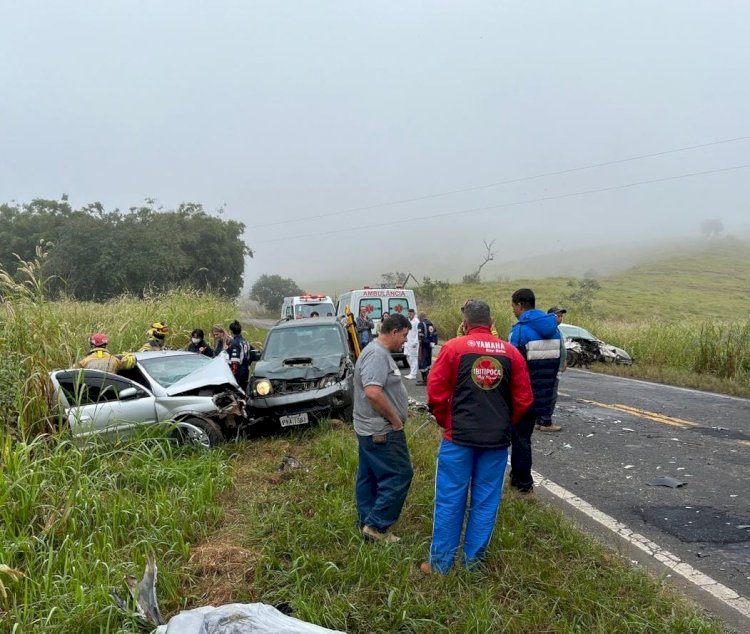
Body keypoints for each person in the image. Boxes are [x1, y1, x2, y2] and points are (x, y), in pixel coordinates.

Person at [423, 301, 533, 574]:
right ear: (491, 321)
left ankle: (440, 566)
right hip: (495, 442)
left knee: (450, 500)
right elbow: (523, 399)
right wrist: (505, 424)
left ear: (466, 322)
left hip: (458, 439)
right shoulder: (511, 353)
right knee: (486, 501)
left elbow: (435, 394)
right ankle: (473, 565)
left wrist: (445, 422)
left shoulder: (454, 348)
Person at [353, 312, 414, 543]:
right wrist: (396, 421)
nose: (406, 340)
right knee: (400, 474)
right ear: (395, 331)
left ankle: (366, 521)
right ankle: (377, 527)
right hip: (381, 431)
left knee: (368, 476)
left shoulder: (377, 352)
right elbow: (372, 392)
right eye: (405, 335)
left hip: (370, 428)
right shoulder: (377, 355)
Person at [508, 288, 563, 495]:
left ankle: (522, 483)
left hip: (523, 396)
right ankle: (519, 478)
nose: (513, 310)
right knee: (524, 437)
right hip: (544, 395)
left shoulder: (520, 331)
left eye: (513, 306)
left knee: (520, 440)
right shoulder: (555, 331)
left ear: (520, 305)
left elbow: (512, 365)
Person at [541, 306, 569, 428]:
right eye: (557, 315)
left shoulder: (557, 331)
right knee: (550, 395)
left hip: (556, 367)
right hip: (551, 367)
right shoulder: (549, 331)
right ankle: (546, 421)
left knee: (548, 393)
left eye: (561, 316)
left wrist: (564, 362)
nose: (560, 318)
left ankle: (541, 420)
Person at [227, 320, 259, 389]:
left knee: (237, 391)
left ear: (231, 331)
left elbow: (235, 361)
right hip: (246, 370)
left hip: (239, 371)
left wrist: (232, 374)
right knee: (244, 389)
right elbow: (252, 354)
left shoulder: (235, 343)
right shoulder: (245, 341)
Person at [416, 311, 438, 385]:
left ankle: (425, 380)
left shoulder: (421, 324)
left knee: (422, 361)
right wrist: (433, 343)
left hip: (423, 346)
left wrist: (426, 342)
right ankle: (428, 378)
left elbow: (421, 336)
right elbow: (435, 334)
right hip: (430, 346)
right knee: (428, 361)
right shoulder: (431, 323)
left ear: (420, 317)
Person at [404, 308, 420, 379]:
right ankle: (411, 372)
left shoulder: (416, 321)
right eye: (408, 314)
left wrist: (416, 342)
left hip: (413, 342)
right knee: (408, 357)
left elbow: (418, 332)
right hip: (408, 342)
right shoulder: (408, 321)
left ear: (413, 314)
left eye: (411, 314)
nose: (409, 315)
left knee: (413, 358)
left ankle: (413, 374)